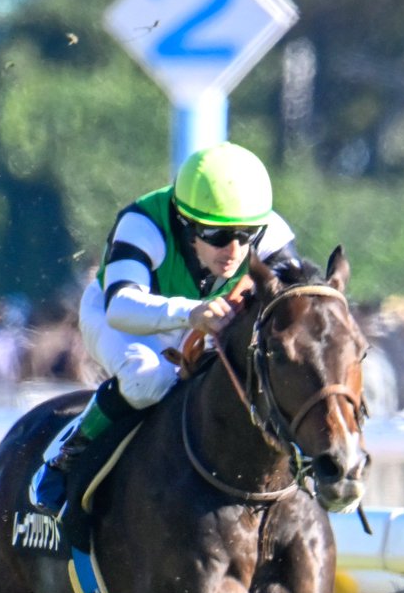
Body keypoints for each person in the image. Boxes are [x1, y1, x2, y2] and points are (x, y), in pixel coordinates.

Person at [30, 142, 298, 535]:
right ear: (186, 223)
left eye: (247, 235)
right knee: (148, 378)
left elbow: (299, 295)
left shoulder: (268, 230)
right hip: (121, 316)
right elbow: (121, 304)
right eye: (217, 235)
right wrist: (190, 313)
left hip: (197, 319)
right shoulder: (143, 223)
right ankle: (69, 451)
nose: (235, 250)